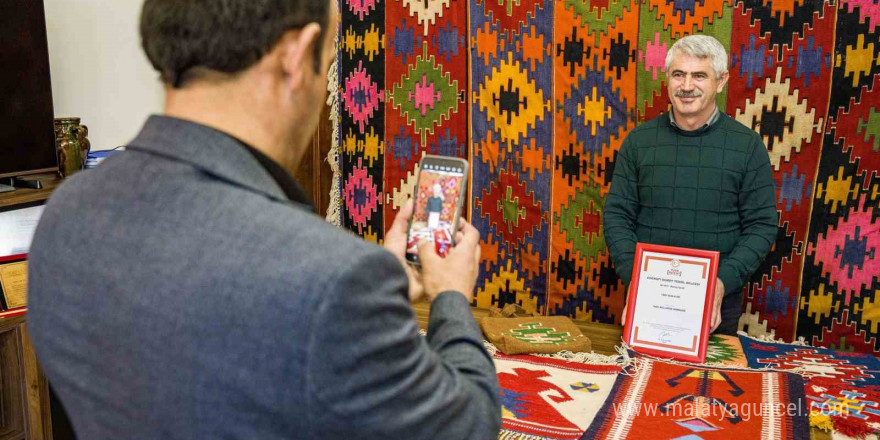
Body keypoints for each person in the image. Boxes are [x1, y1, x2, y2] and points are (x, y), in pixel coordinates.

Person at [26, 1, 501, 439]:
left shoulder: (66, 216)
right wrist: (451, 296)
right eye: (329, 64)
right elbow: (466, 426)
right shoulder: (332, 278)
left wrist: (374, 287)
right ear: (295, 55)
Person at [603, 35, 778, 335]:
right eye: (678, 74)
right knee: (636, 381)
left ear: (721, 82)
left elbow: (762, 226)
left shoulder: (747, 146)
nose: (686, 86)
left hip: (717, 304)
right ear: (668, 79)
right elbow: (617, 215)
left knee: (711, 383)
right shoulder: (639, 142)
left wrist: (722, 281)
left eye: (699, 75)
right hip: (648, 299)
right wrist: (635, 277)